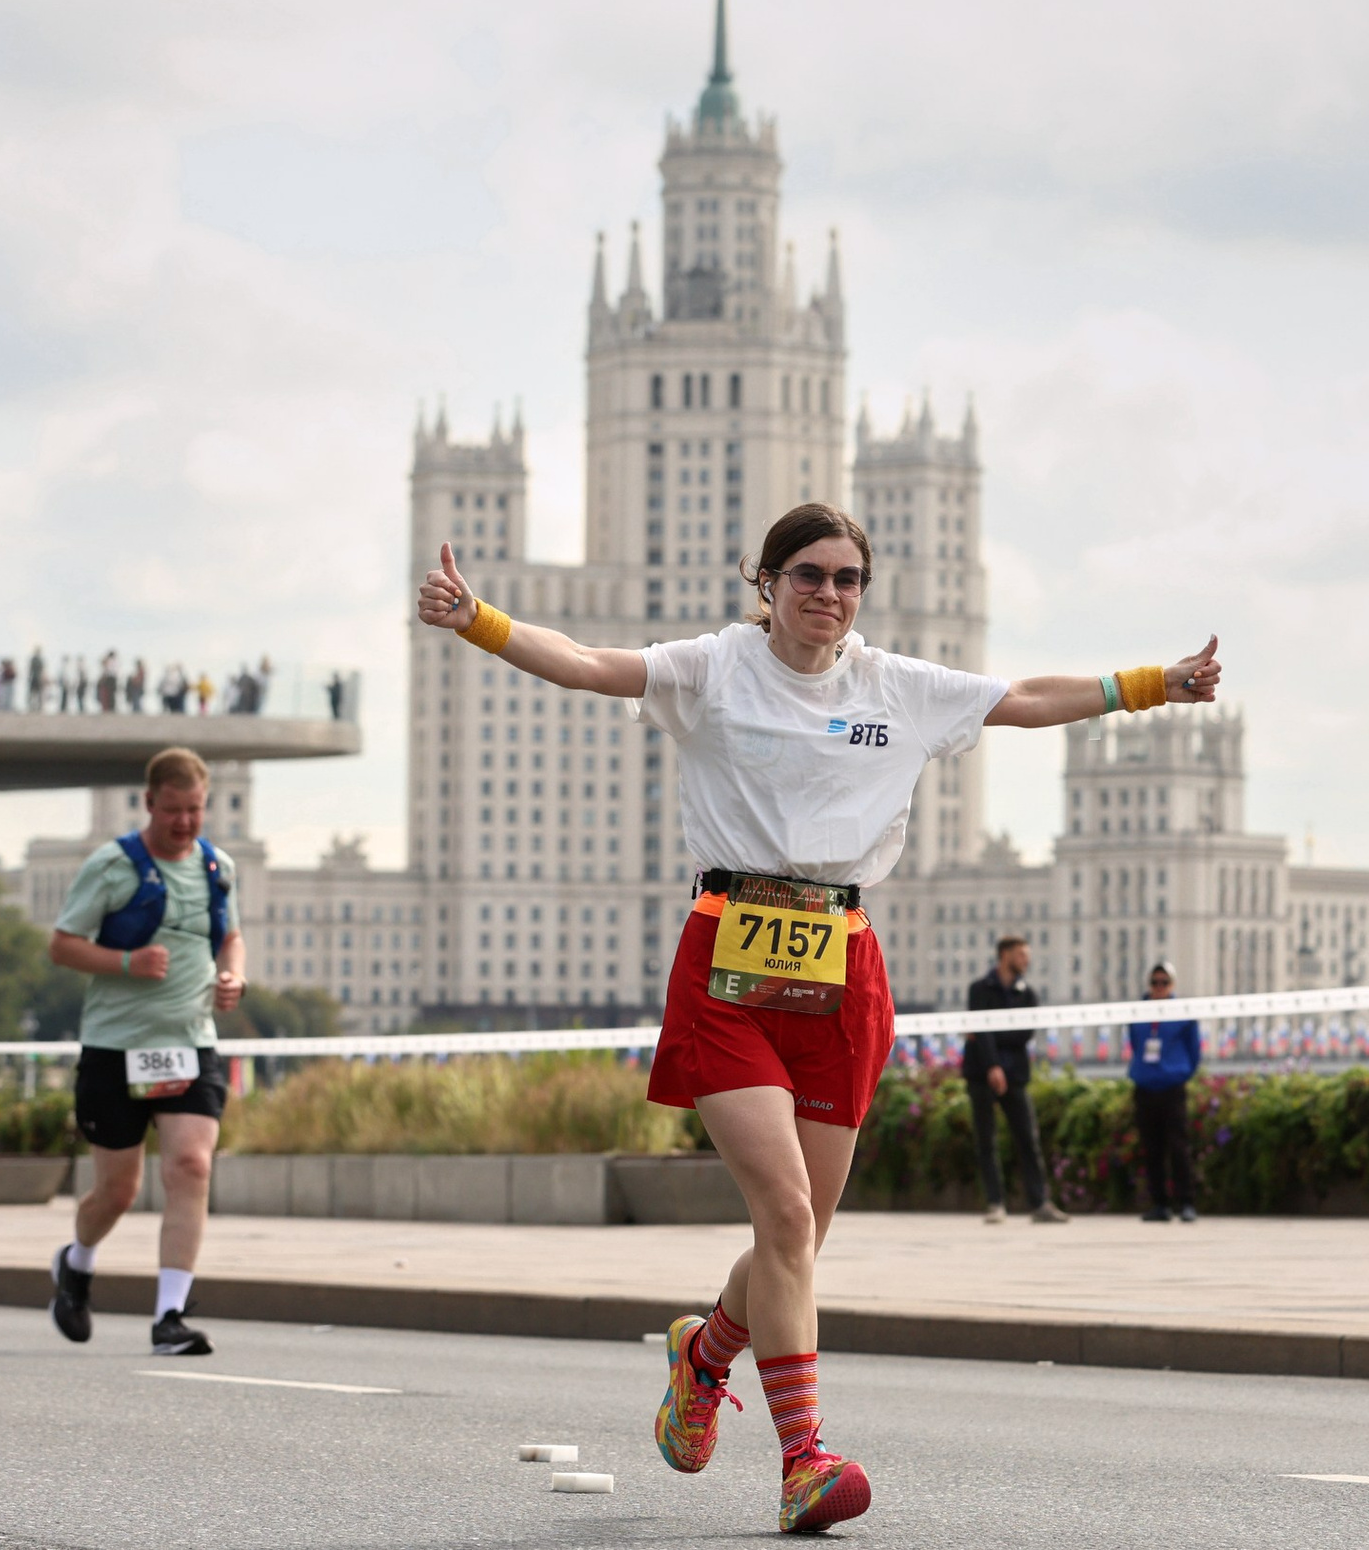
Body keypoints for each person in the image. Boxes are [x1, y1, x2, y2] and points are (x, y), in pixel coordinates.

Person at [415, 502, 1218, 1536]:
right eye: (807, 574)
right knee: (787, 1217)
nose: (828, 595)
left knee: (795, 1236)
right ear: (767, 582)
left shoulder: (895, 687)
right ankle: (804, 1460)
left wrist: (1154, 685)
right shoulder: (714, 668)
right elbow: (584, 662)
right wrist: (477, 618)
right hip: (729, 967)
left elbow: (1022, 698)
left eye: (847, 579)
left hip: (842, 971)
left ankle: (705, 1354)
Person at [42, 747, 246, 1357]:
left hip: (190, 1044)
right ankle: (77, 1263)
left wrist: (233, 977)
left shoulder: (217, 867)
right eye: (173, 810)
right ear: (149, 802)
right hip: (117, 1047)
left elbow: (231, 938)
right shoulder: (112, 866)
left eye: (195, 810)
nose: (184, 822)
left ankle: (170, 1317)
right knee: (118, 1191)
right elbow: (62, 945)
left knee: (191, 1166)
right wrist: (126, 962)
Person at [964, 936, 1068, 1224]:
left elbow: (1022, 1034)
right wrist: (992, 1064)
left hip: (1015, 1076)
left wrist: (988, 1042)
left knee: (1028, 1139)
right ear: (1005, 955)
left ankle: (1040, 1203)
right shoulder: (979, 989)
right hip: (981, 1074)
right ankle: (995, 1203)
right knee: (986, 1141)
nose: (1026, 960)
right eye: (1021, 954)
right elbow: (980, 1028)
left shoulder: (1028, 994)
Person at [1128, 963, 1202, 1222]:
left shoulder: (1183, 1013)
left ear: (1172, 985)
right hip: (1145, 1086)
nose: (1159, 987)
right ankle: (1159, 1204)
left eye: (1164, 982)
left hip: (1172, 1087)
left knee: (1179, 1147)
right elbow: (1135, 1044)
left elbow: (1194, 1051)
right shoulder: (1137, 1011)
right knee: (1152, 1148)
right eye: (1154, 982)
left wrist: (1179, 1073)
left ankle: (1187, 1203)